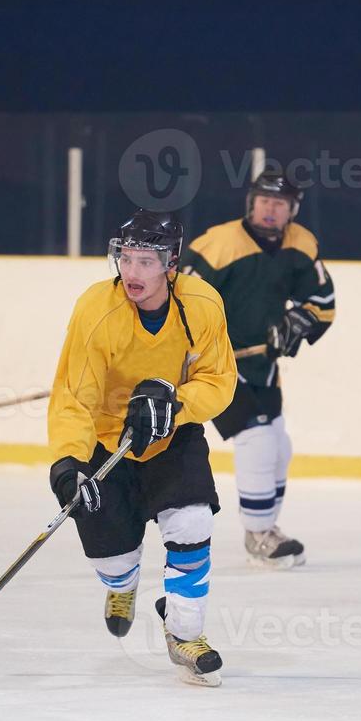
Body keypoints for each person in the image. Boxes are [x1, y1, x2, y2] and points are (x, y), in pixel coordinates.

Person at [47, 209, 238, 686]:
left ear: (170, 264)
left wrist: (175, 403)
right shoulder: (97, 309)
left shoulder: (202, 305)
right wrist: (68, 462)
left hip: (171, 435)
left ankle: (185, 631)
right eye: (125, 259)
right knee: (112, 560)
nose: (131, 273)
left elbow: (219, 381)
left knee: (192, 520)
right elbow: (74, 396)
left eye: (145, 262)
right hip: (105, 440)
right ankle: (122, 585)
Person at [177, 172, 336, 569]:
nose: (270, 209)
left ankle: (267, 527)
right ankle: (258, 536)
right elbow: (178, 301)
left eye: (279, 204)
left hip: (261, 365)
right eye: (264, 201)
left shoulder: (300, 244)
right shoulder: (217, 244)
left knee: (279, 447)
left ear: (292, 211)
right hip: (214, 366)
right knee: (259, 439)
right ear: (251, 203)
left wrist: (301, 319)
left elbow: (323, 302)